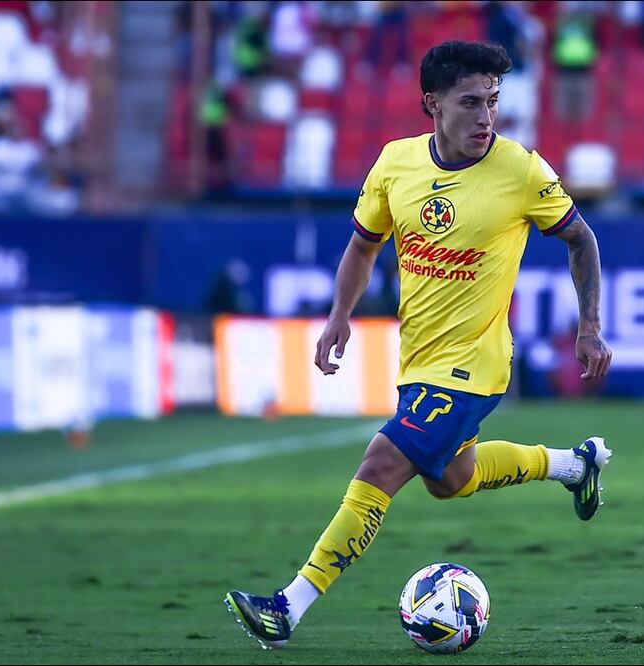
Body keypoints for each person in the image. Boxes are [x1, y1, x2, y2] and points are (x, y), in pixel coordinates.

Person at [224, 40, 613, 650]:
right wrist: (339, 316)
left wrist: (588, 325)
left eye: (492, 102)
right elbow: (361, 245)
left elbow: (581, 240)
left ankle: (288, 607)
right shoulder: (394, 165)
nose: (486, 117)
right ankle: (574, 464)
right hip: (420, 364)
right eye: (470, 103)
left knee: (381, 462)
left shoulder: (520, 170)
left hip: (476, 364)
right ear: (433, 104)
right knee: (450, 479)